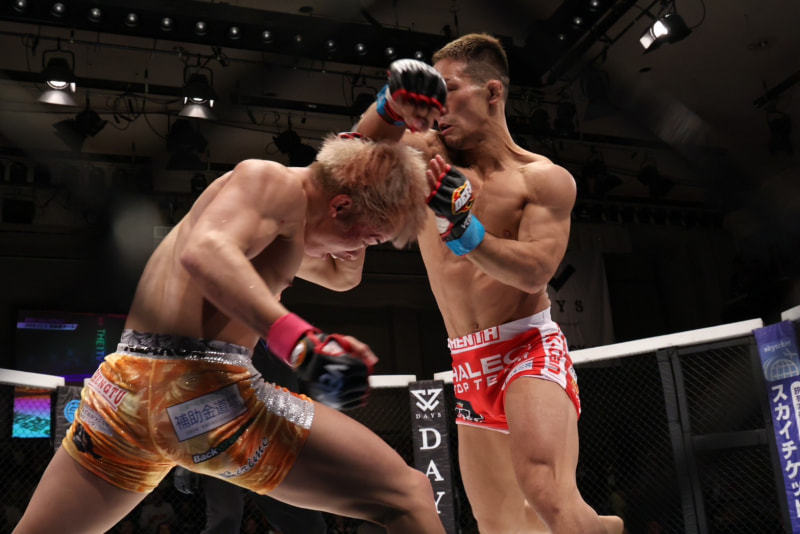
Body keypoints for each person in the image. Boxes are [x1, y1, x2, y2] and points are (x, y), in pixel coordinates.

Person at [13, 133, 446, 534]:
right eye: (367, 240)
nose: (356, 252)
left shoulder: (276, 228)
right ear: (339, 206)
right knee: (408, 494)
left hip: (120, 396)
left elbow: (342, 275)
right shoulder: (270, 180)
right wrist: (301, 343)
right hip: (207, 394)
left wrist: (383, 132)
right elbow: (205, 253)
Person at [356, 33, 625, 533]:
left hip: (527, 350)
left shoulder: (542, 179)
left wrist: (464, 230)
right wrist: (389, 103)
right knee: (498, 523)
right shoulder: (426, 154)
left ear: (493, 92)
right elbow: (351, 162)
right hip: (467, 361)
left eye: (449, 91)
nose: (437, 108)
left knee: (545, 493)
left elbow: (536, 269)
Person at [173, 340, 327, 534]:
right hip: (223, 444)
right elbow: (190, 393)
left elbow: (309, 401)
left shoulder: (289, 347)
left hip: (274, 446)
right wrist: (184, 460)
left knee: (307, 525)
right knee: (226, 521)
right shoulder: (217, 344)